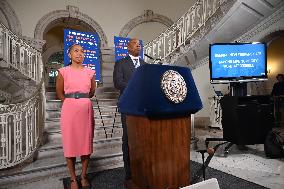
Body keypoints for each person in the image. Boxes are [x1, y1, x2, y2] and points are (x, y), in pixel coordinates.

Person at [56, 44, 96, 189]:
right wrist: (69, 103)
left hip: (86, 109)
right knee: (70, 143)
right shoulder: (63, 71)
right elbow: (59, 92)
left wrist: (83, 100)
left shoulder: (90, 72)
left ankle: (83, 175)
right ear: (69, 54)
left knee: (86, 142)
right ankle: (73, 179)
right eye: (76, 51)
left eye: (82, 51)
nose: (80, 53)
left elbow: (92, 92)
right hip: (69, 110)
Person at [113, 39, 146, 182]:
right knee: (128, 138)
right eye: (135, 43)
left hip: (144, 106)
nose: (138, 45)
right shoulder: (121, 63)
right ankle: (129, 173)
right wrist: (136, 87)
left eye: (139, 44)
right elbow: (118, 83)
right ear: (128, 47)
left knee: (143, 138)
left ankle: (143, 169)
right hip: (128, 105)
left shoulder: (145, 64)